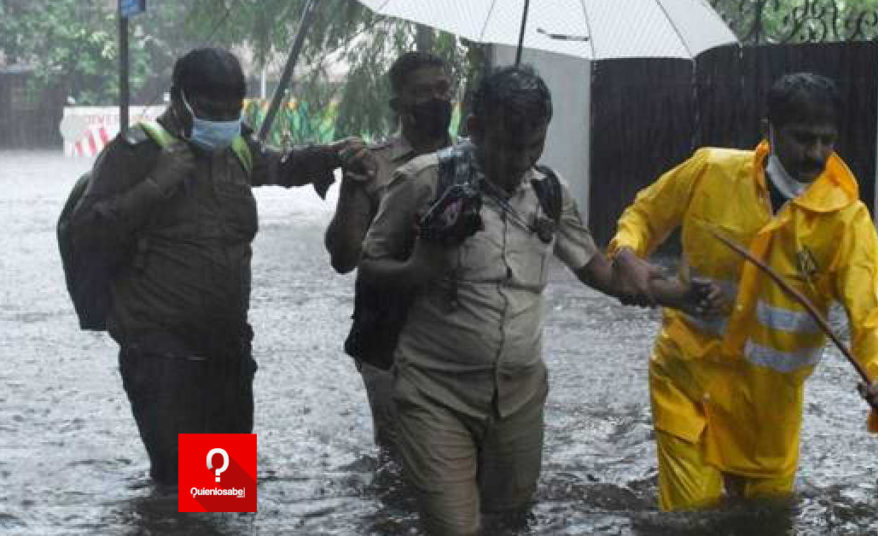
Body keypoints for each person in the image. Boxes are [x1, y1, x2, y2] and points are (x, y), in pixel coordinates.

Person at [609, 72, 878, 510]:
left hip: (769, 413)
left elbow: (874, 312)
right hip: (688, 386)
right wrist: (626, 253)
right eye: (804, 138)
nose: (817, 154)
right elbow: (644, 214)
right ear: (769, 129)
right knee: (692, 517)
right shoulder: (710, 171)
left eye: (828, 141)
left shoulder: (847, 222)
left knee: (767, 518)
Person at [358, 65, 626, 535]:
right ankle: (200, 511)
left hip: (517, 396)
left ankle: (205, 512)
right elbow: (358, 259)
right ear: (475, 129)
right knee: (453, 526)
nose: (520, 160)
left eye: (533, 146)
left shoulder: (547, 191)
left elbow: (597, 268)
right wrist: (417, 268)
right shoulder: (422, 179)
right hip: (434, 390)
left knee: (507, 521)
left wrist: (662, 289)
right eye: (507, 146)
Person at [66, 48, 347, 486]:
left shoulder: (236, 145)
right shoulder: (136, 151)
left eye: (233, 109)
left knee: (222, 488)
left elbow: (279, 166)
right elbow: (88, 230)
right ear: (179, 100)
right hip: (160, 354)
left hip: (226, 347)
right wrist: (157, 183)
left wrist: (331, 155)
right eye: (211, 110)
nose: (223, 119)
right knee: (177, 489)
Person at [324, 51, 453, 458]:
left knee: (461, 454)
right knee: (399, 458)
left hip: (460, 330)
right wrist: (350, 188)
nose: (436, 99)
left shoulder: (476, 162)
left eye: (442, 89)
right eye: (421, 92)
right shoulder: (374, 166)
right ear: (398, 105)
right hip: (388, 335)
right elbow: (343, 258)